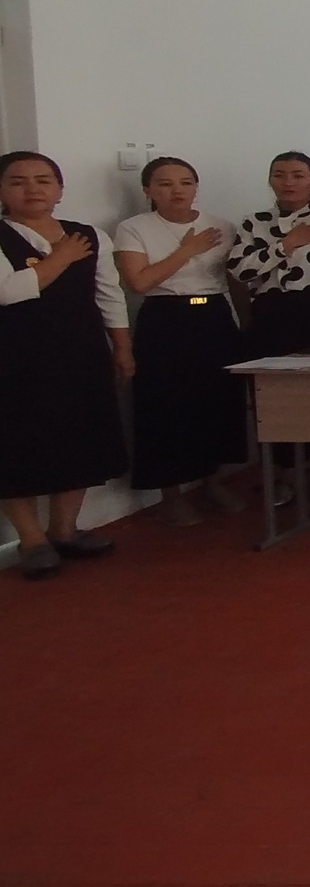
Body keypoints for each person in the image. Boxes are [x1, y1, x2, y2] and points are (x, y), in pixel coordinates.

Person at [0, 152, 130, 578]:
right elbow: (7, 291)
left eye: (43, 180)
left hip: (80, 351)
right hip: (15, 356)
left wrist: (122, 346)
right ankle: (31, 540)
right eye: (18, 181)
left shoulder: (88, 235)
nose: (32, 189)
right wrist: (60, 258)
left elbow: (109, 294)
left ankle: (65, 529)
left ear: (59, 189)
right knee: (17, 443)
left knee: (80, 435)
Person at [112, 157, 245, 525]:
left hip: (214, 315)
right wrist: (187, 250)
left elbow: (234, 280)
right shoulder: (133, 228)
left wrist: (245, 324)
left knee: (217, 400)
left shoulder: (222, 225)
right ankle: (170, 494)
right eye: (165, 183)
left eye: (186, 182)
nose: (177, 191)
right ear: (148, 190)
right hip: (165, 318)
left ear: (196, 187)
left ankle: (212, 481)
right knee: (165, 405)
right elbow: (140, 282)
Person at [229, 151, 310, 359]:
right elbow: (239, 271)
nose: (288, 182)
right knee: (267, 377)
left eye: (298, 176)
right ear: (270, 181)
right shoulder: (254, 221)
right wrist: (287, 244)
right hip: (269, 314)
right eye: (279, 175)